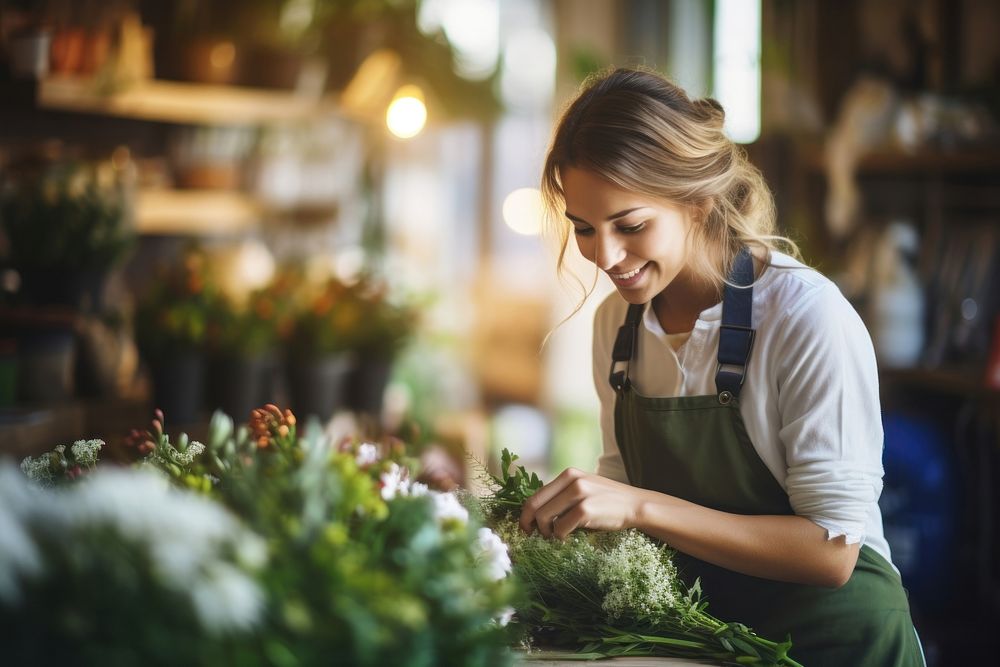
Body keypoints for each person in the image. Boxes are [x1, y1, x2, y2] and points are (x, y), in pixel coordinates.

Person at [518, 67, 924, 666]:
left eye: (630, 225)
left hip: (838, 646)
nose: (604, 256)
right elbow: (626, 488)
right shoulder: (618, 327)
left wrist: (636, 506)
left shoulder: (805, 317)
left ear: (698, 202)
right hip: (716, 644)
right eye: (584, 228)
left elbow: (831, 552)